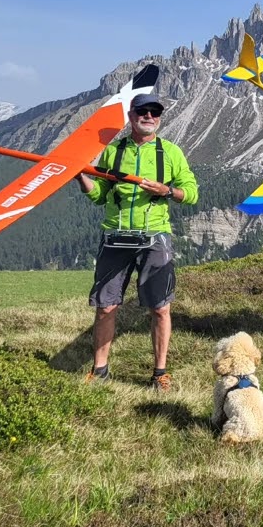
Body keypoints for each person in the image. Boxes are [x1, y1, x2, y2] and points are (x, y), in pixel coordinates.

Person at [76, 93, 198, 391]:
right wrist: (81, 177)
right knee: (106, 306)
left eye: (155, 112)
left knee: (160, 307)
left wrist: (166, 191)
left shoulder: (171, 152)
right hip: (115, 238)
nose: (149, 116)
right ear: (131, 116)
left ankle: (160, 373)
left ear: (159, 117)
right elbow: (100, 195)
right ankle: (100, 370)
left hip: (154, 239)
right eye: (142, 111)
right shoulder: (113, 151)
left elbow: (191, 192)